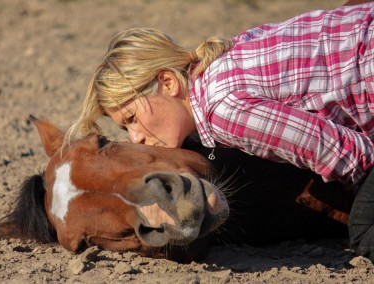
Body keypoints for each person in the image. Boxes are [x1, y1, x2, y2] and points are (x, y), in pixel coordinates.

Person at [65, 3, 374, 260]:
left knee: (363, 228)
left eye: (132, 118)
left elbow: (338, 150)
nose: (134, 138)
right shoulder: (217, 65)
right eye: (124, 127)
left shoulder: (222, 111)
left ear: (169, 83)